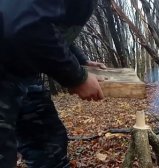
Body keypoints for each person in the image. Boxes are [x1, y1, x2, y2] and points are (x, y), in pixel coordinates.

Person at [0, 0, 103, 167]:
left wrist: (80, 59)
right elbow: (27, 24)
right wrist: (77, 77)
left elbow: (48, 23)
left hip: (23, 71)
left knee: (49, 145)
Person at [16, 44, 106, 168]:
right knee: (47, 148)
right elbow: (36, 31)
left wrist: (80, 60)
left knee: (51, 142)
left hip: (22, 74)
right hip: (12, 76)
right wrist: (78, 77)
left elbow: (55, 33)